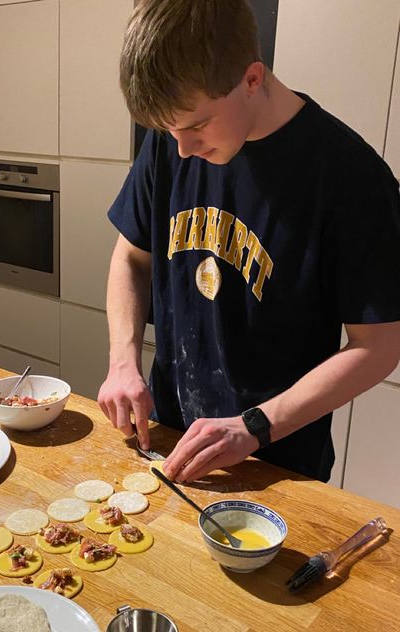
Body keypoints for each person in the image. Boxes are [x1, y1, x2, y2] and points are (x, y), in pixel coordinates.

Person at [97, 0, 400, 483]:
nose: (182, 149)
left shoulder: (352, 179)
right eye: (168, 130)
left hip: (276, 458)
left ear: (252, 78)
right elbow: (132, 257)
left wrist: (255, 426)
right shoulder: (172, 140)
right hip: (168, 434)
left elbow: (379, 346)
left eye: (196, 126)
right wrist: (122, 363)